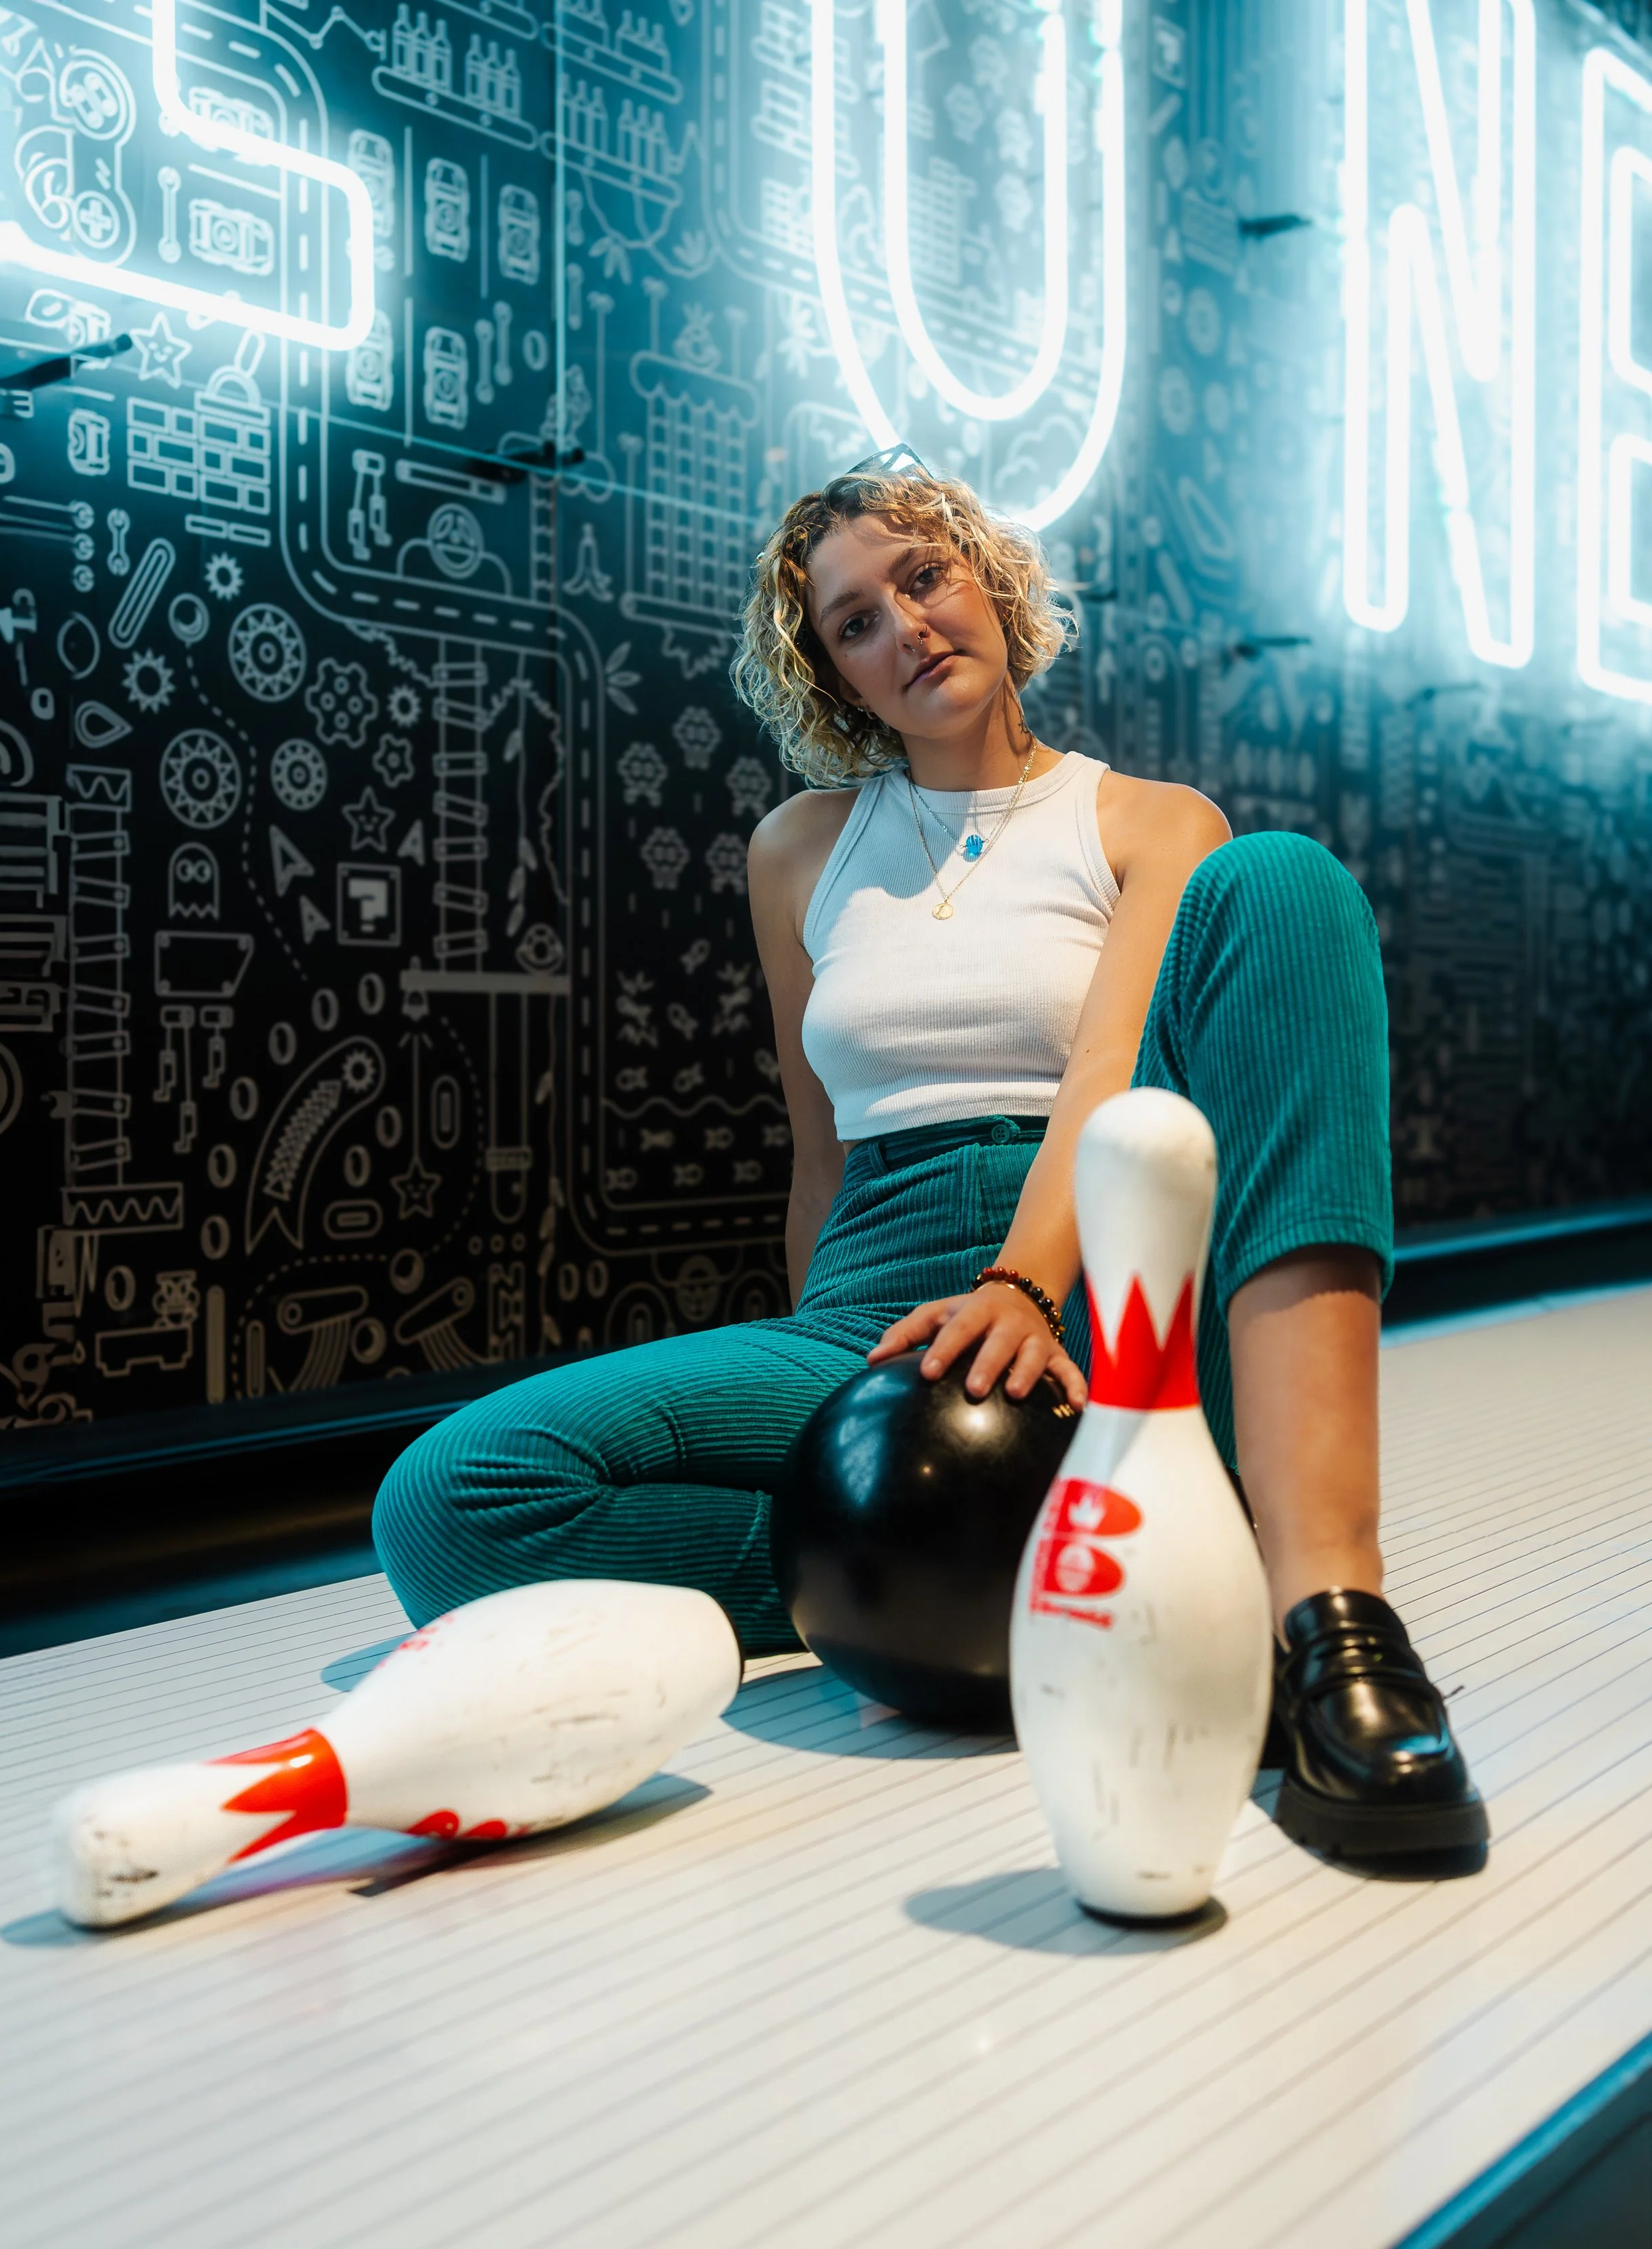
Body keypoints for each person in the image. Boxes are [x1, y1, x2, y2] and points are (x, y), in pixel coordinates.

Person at [375, 455, 1487, 1868]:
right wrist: (853, 1424)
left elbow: (1103, 1069)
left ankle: (1319, 1617)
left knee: (1283, 883)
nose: (900, 625)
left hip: (1107, 1286)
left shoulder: (1147, 822)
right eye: (852, 623)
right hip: (876, 1312)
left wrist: (1024, 1287)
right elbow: (816, 1152)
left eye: (920, 578)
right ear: (833, 677)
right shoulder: (797, 853)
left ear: (990, 584)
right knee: (450, 1504)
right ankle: (988, 1562)